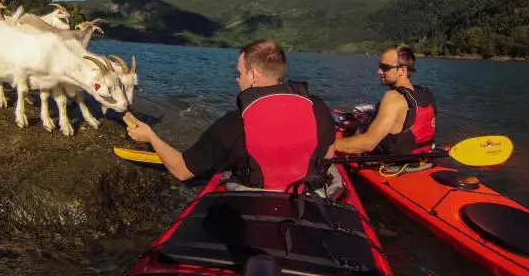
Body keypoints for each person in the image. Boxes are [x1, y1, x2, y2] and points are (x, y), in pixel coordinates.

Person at [126, 39, 336, 193]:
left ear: (253, 75)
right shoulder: (318, 107)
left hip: (255, 200)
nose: (237, 79)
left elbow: (182, 170)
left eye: (239, 73)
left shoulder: (234, 124)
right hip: (307, 195)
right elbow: (328, 156)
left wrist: (150, 136)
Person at [334, 43, 436, 156]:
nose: (379, 72)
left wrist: (327, 145)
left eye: (385, 68)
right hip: (420, 158)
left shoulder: (393, 97)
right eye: (379, 66)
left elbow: (368, 143)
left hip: (393, 165)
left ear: (402, 70)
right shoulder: (424, 92)